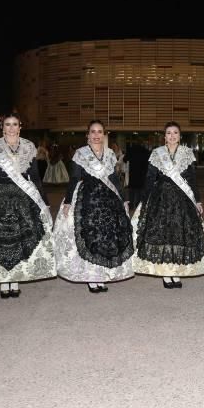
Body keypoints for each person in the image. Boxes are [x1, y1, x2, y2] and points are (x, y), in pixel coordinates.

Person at [0, 113, 56, 298]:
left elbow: (35, 178)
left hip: (22, 198)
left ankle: (14, 280)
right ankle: (3, 283)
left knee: (21, 240)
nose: (12, 128)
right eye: (8, 124)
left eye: (15, 124)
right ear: (3, 127)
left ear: (20, 127)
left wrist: (44, 202)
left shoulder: (29, 146)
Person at [54, 120, 133, 293]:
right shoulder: (80, 154)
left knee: (106, 237)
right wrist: (68, 201)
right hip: (87, 198)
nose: (96, 135)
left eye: (99, 132)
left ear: (103, 134)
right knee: (89, 236)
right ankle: (91, 277)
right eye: (93, 132)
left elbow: (113, 179)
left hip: (108, 198)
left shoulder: (110, 154)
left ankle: (101, 274)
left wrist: (124, 198)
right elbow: (74, 179)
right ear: (87, 135)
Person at [132, 121, 204, 288]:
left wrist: (198, 200)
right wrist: (144, 201)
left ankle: (175, 270)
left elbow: (192, 179)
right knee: (163, 233)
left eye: (175, 133)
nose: (172, 136)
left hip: (182, 198)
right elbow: (150, 178)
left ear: (180, 136)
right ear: (164, 136)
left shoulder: (187, 153)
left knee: (178, 233)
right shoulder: (157, 153)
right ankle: (166, 273)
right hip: (161, 197)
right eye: (169, 133)